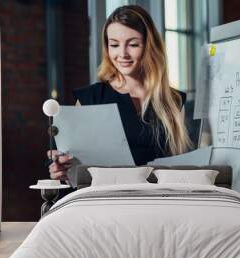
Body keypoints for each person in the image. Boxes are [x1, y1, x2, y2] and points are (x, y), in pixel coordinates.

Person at [48, 5, 191, 181]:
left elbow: (179, 165)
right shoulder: (90, 99)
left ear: (149, 46)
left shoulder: (173, 100)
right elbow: (70, 168)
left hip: (158, 200)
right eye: (114, 45)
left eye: (133, 44)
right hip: (104, 203)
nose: (122, 54)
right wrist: (60, 170)